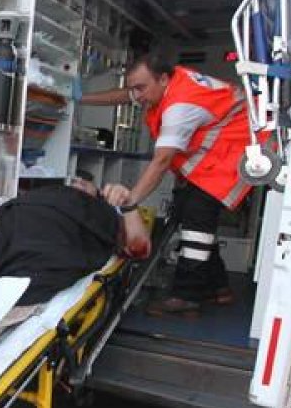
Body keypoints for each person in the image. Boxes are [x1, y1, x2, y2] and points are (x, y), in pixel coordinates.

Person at [77, 52, 262, 316]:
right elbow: (124, 95)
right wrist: (81, 98)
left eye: (140, 88)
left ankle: (186, 296)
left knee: (197, 216)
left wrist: (130, 203)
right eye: (134, 88)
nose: (136, 96)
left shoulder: (179, 106)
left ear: (163, 79)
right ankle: (218, 287)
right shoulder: (161, 84)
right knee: (191, 216)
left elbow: (161, 162)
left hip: (236, 150)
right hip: (222, 149)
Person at [0, 176, 149, 342]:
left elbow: (140, 246)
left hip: (43, 258)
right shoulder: (46, 195)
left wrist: (129, 205)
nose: (77, 180)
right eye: (74, 179)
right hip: (2, 235)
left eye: (85, 181)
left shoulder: (105, 215)